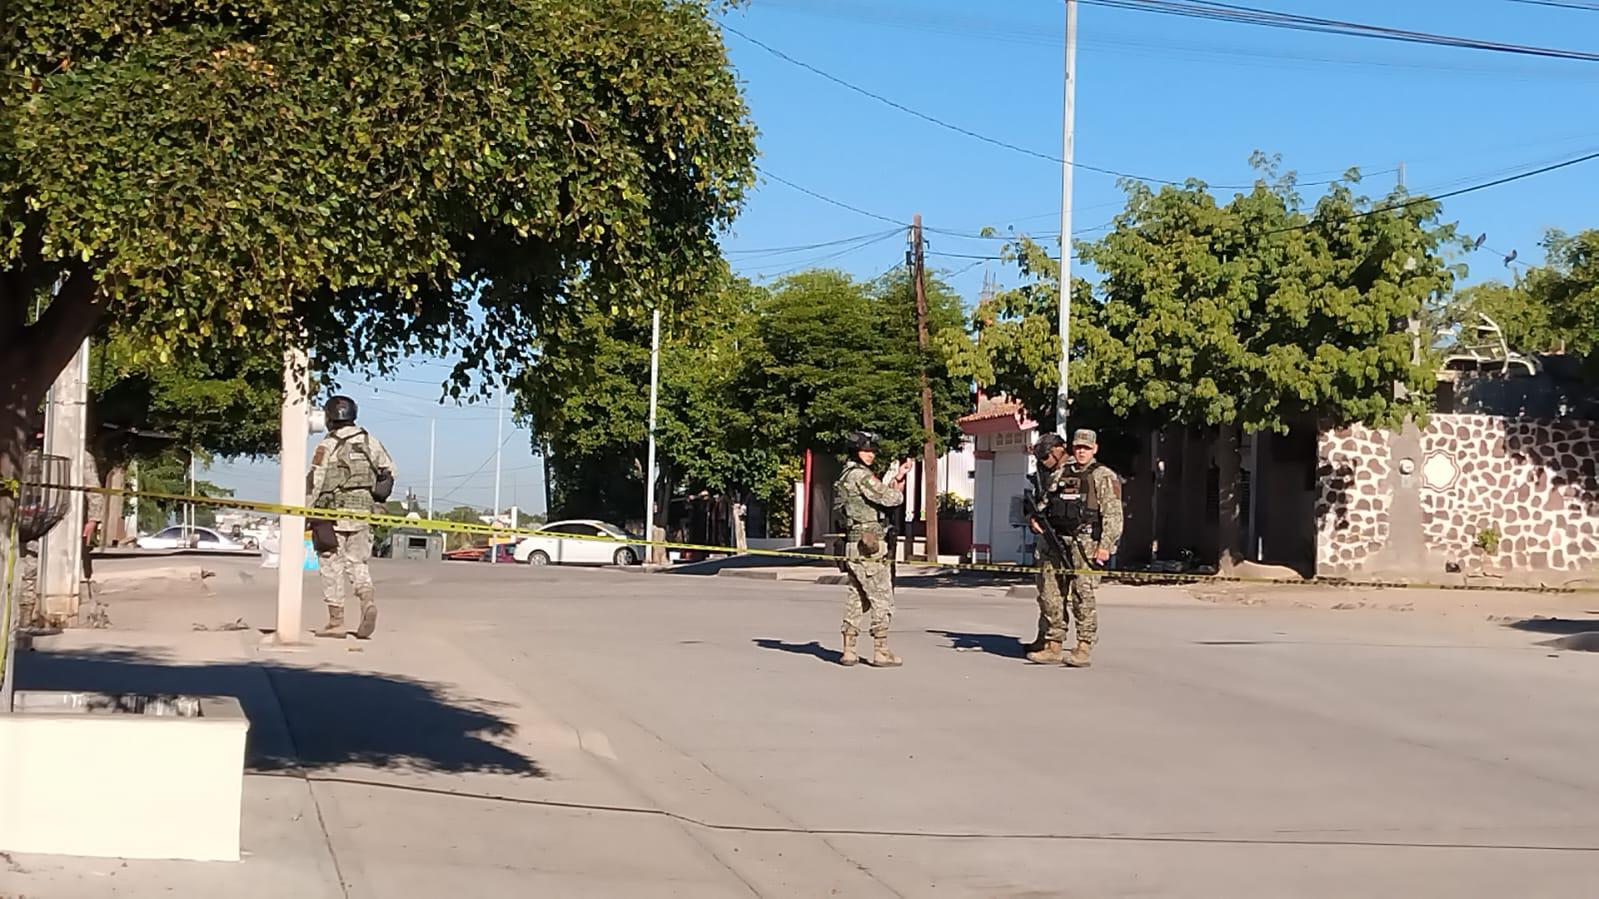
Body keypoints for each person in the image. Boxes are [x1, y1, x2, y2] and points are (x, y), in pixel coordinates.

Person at [1024, 428, 1122, 667]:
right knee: (1051, 593)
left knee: (1082, 594)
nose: (1081, 452)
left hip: (1086, 543)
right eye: (1078, 448)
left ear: (1094, 449)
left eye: (1086, 448)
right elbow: (1045, 503)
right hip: (1056, 541)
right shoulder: (1060, 473)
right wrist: (1035, 520)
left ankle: (1083, 646)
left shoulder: (1103, 476)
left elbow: (1113, 514)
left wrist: (1106, 545)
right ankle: (1053, 644)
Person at [307, 395, 396, 638]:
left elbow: (314, 481)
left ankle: (336, 622)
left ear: (329, 417)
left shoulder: (327, 445)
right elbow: (389, 472)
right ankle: (367, 601)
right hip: (362, 513)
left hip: (330, 514)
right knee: (358, 563)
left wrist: (305, 511)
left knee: (331, 564)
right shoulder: (370, 441)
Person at [832, 430, 916, 667]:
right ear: (855, 451)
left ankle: (849, 649)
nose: (870, 455)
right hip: (868, 545)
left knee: (858, 597)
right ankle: (881, 649)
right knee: (882, 598)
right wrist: (897, 485)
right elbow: (890, 499)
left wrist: (898, 475)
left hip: (853, 543)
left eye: (871, 451)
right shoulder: (860, 475)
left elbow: (878, 495)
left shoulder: (848, 474)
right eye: (865, 450)